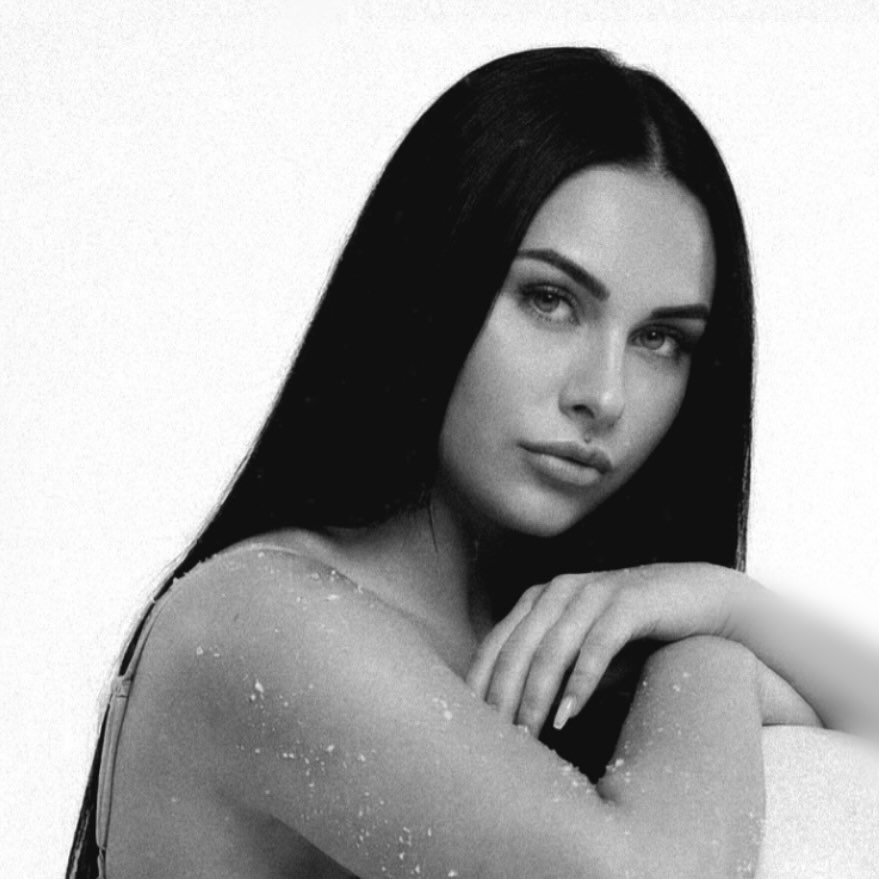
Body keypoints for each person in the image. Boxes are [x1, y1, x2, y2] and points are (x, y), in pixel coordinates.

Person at [67, 47, 879, 879]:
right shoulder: (260, 621)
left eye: (659, 338)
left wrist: (726, 604)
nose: (603, 394)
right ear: (429, 277)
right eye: (549, 300)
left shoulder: (544, 641)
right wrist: (712, 655)